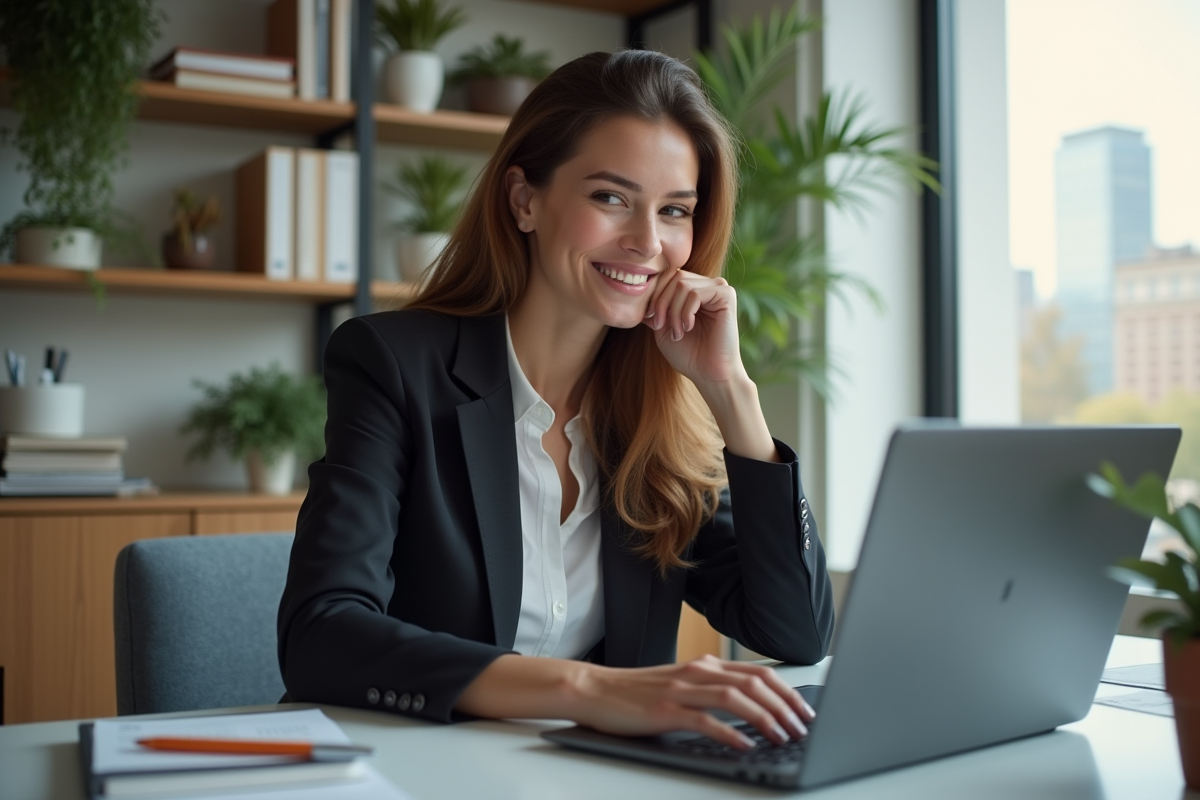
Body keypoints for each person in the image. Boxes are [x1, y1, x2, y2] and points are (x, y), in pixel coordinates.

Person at [278, 49, 834, 752]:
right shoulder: (393, 364)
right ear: (524, 200)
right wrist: (586, 688)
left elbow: (796, 630)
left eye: (675, 212)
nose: (647, 243)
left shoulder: (658, 419)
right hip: (411, 767)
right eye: (611, 198)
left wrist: (731, 391)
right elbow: (321, 633)